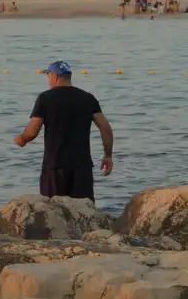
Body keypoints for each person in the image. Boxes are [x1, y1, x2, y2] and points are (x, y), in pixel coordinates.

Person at [14, 61, 114, 199]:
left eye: (48, 75)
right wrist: (108, 155)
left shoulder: (45, 98)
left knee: (53, 213)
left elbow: (32, 132)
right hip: (82, 168)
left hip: (55, 167)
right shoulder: (87, 98)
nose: (48, 79)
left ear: (55, 77)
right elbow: (105, 127)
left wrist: (22, 139)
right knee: (83, 213)